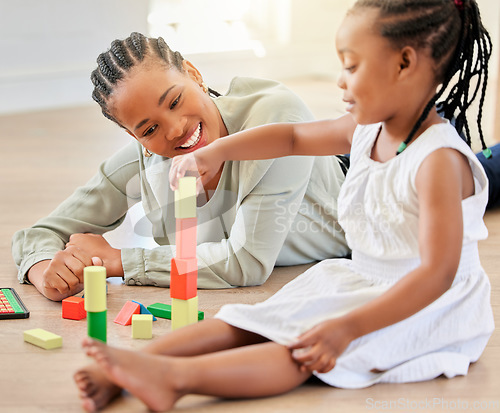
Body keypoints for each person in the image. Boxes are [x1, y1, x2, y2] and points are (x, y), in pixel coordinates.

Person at [75, 0, 494, 411]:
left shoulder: (439, 161)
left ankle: (175, 380)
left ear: (404, 65)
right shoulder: (366, 129)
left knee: (300, 351)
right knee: (249, 321)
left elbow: (436, 276)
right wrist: (214, 152)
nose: (340, 82)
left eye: (351, 66)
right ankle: (132, 368)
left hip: (424, 304)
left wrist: (347, 328)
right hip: (361, 278)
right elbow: (292, 138)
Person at [12, 32, 351, 301]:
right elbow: (41, 233)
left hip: (363, 196)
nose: (174, 130)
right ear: (134, 136)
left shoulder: (276, 116)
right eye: (148, 130)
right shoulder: (145, 158)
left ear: (193, 74)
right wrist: (46, 273)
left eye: (174, 101)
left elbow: (246, 263)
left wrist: (119, 260)